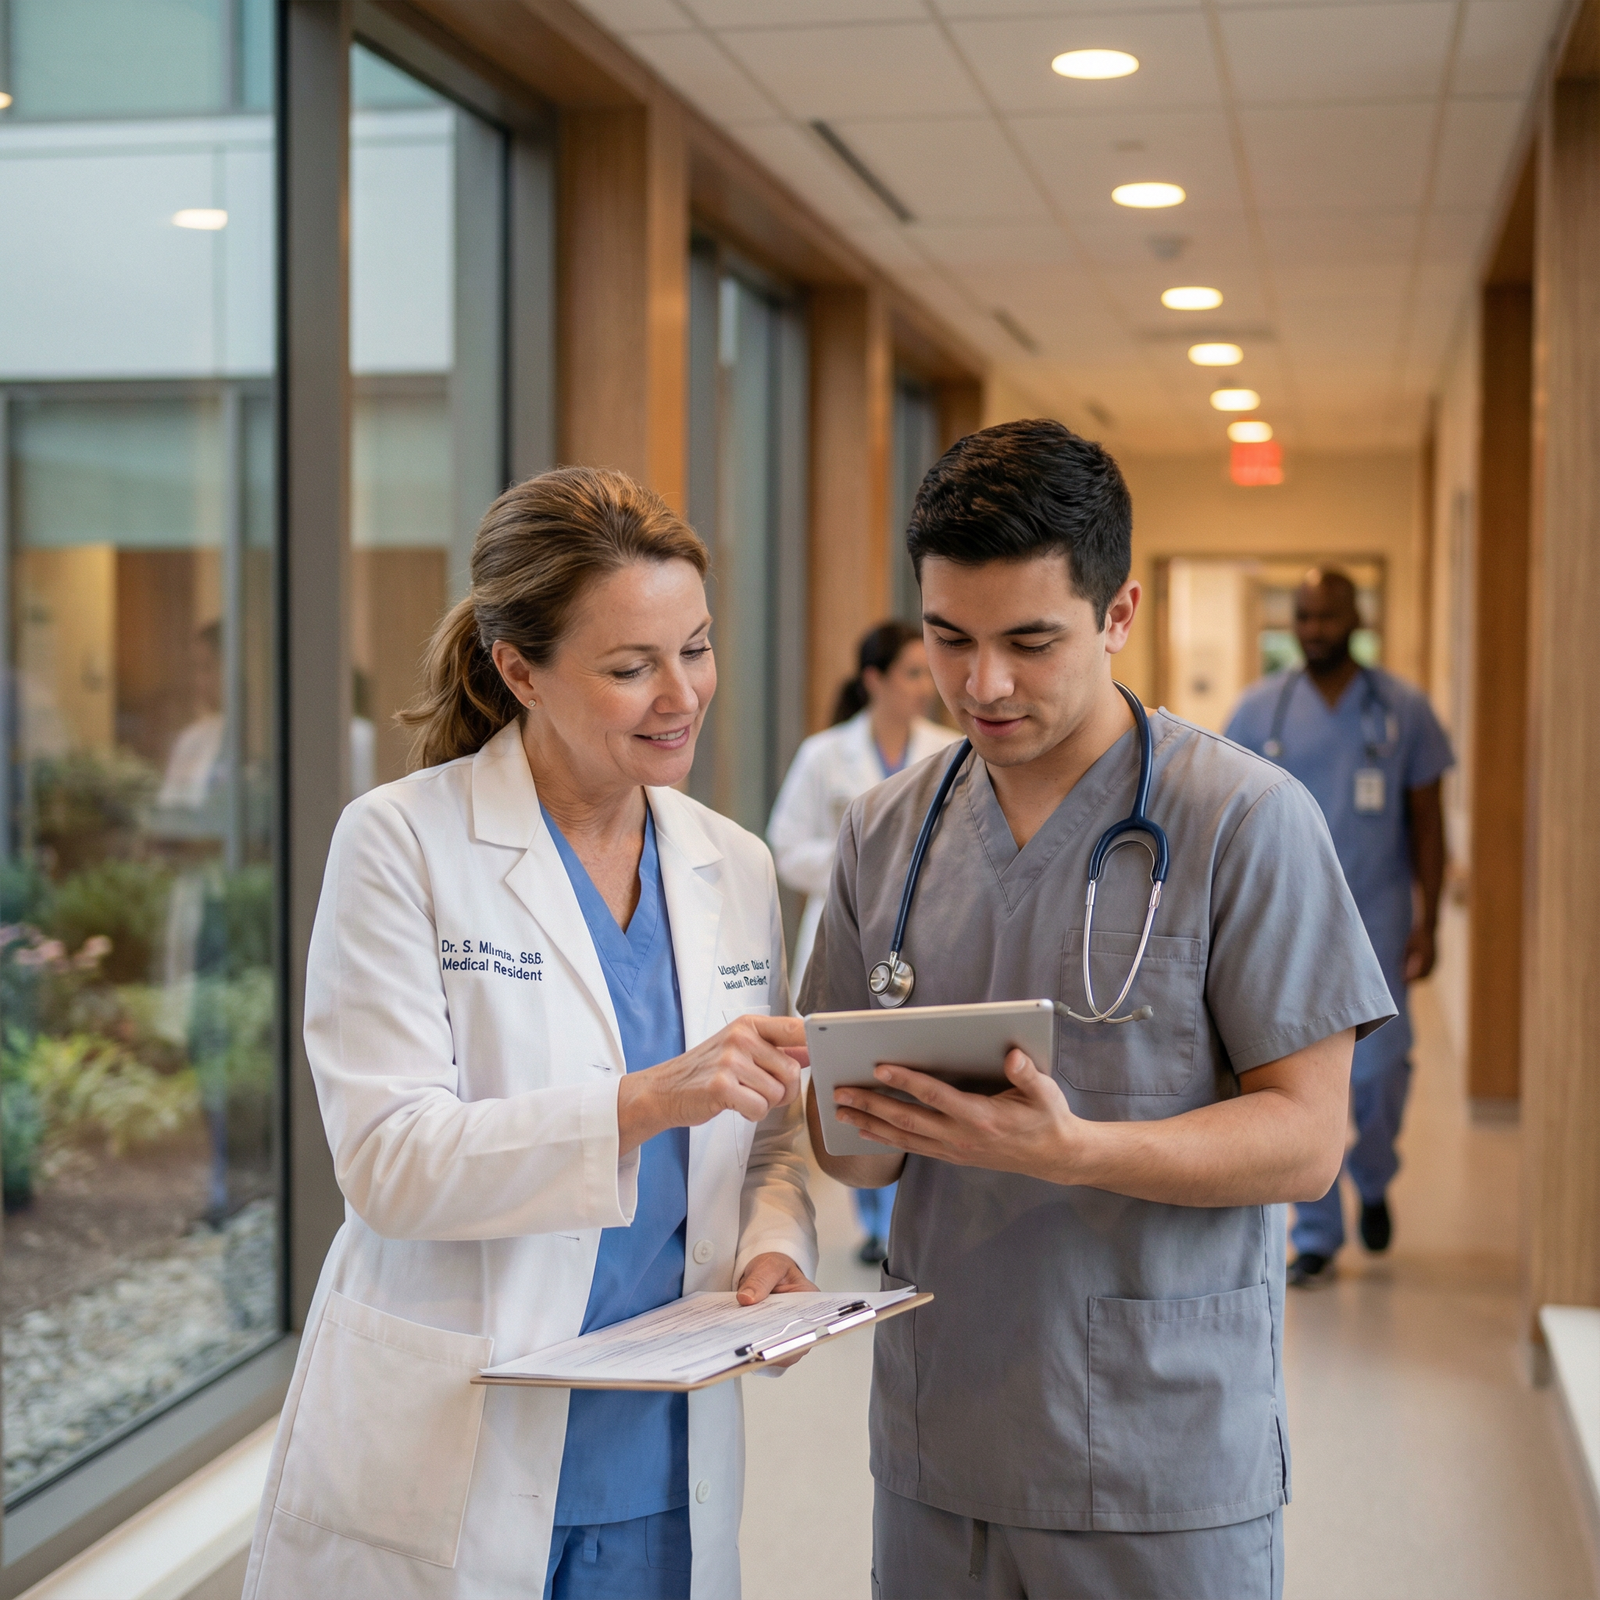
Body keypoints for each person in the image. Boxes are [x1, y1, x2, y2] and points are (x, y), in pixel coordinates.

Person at [801, 420, 1395, 1600]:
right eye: (948, 640)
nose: (983, 684)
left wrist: (1076, 1151)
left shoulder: (1242, 821)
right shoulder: (886, 834)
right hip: (940, 1438)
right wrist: (835, 1111)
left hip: (1156, 1454)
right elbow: (849, 1155)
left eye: (1030, 640)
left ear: (1118, 615)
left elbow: (1308, 1139)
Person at [244, 467, 817, 1600]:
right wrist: (646, 1100)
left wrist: (778, 1242)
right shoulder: (402, 843)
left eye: (694, 649)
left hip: (660, 1451)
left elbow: (767, 1138)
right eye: (629, 667)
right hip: (453, 1437)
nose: (681, 693)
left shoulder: (732, 863)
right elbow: (389, 1163)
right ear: (520, 670)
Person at [1225, 569, 1452, 1287]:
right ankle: (1318, 1232)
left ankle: (1375, 1175)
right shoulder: (1260, 709)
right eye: (1305, 617)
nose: (1315, 629)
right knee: (1294, 1076)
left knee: (1381, 1076)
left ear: (1357, 617)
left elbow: (1428, 822)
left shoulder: (1402, 710)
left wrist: (1429, 919)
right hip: (1287, 922)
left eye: (1328, 617)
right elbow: (1224, 822)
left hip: (1379, 918)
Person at [767, 621, 956, 1264]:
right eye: (910, 672)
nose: (924, 687)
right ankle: (874, 1219)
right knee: (852, 1064)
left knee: (907, 1063)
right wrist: (863, 871)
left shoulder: (948, 748)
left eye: (926, 672)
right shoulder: (825, 754)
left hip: (925, 934)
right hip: (850, 928)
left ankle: (903, 1207)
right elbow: (787, 847)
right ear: (874, 680)